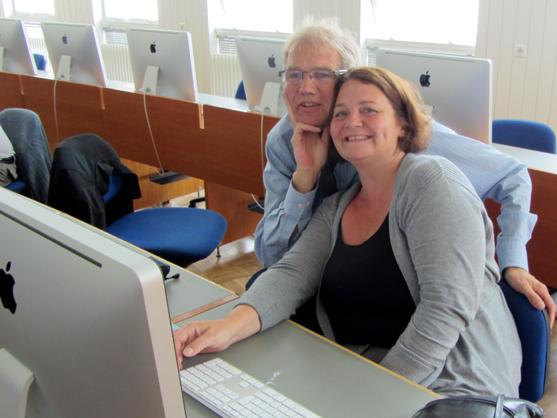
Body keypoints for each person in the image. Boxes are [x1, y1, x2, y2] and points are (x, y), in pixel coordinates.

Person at [175, 67, 522, 397]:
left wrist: (378, 394)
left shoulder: (432, 183)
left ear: (403, 125)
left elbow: (445, 311)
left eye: (368, 110)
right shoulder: (337, 207)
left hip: (453, 385)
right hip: (365, 375)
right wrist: (227, 326)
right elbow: (290, 275)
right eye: (340, 114)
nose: (352, 121)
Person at [252, 16, 555, 323]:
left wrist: (514, 261)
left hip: (399, 291)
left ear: (346, 80)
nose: (305, 87)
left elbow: (512, 175)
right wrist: (304, 179)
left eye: (321, 74)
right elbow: (272, 256)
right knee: (259, 293)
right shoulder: (284, 140)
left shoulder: (394, 132)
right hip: (325, 284)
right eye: (294, 74)